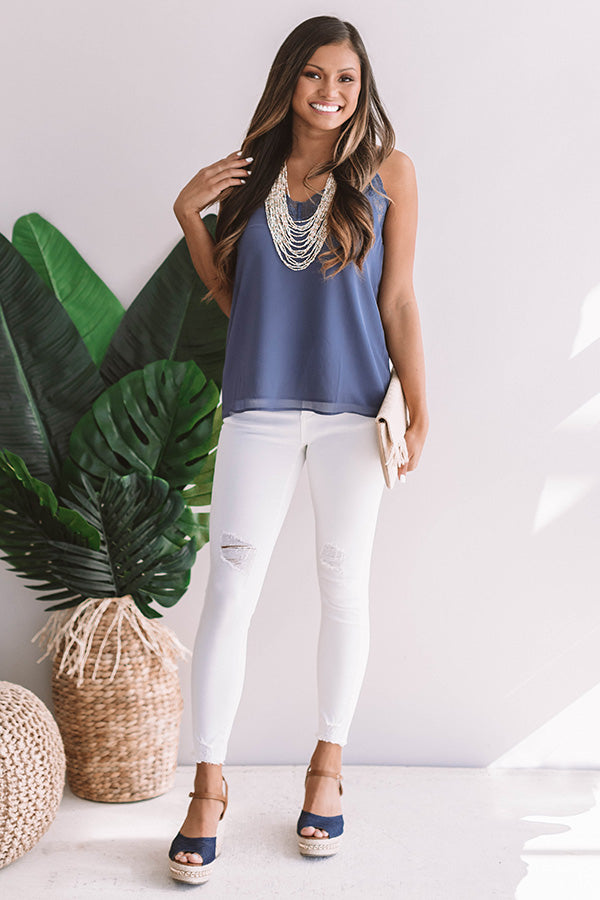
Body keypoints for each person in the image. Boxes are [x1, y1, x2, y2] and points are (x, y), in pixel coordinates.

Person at [168, 14, 428, 884]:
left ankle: (327, 770)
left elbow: (398, 299)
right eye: (315, 74)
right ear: (289, 79)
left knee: (343, 586)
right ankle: (208, 788)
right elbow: (234, 298)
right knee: (229, 592)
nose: (330, 92)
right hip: (260, 410)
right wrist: (189, 213)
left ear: (362, 87)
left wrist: (420, 404)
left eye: (346, 78)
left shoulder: (390, 172)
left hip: (356, 413)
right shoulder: (250, 176)